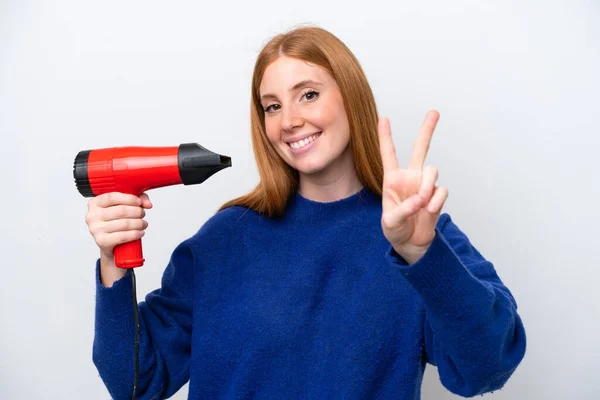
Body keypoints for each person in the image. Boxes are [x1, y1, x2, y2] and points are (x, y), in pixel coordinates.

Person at [86, 26, 526, 399]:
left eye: (308, 94)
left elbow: (486, 367)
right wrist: (113, 264)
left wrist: (422, 256)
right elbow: (135, 380)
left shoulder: (417, 235)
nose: (289, 120)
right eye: (272, 106)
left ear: (351, 98)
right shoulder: (225, 238)